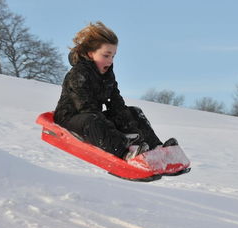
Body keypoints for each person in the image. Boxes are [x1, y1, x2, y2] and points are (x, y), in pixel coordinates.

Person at [54, 21, 178, 160]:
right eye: (106, 56)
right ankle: (124, 152)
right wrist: (120, 133)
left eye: (113, 56)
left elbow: (116, 103)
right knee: (93, 119)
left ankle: (156, 148)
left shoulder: (107, 76)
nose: (110, 61)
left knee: (133, 111)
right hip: (71, 119)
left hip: (94, 116)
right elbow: (85, 107)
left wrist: (133, 130)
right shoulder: (78, 74)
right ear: (90, 54)